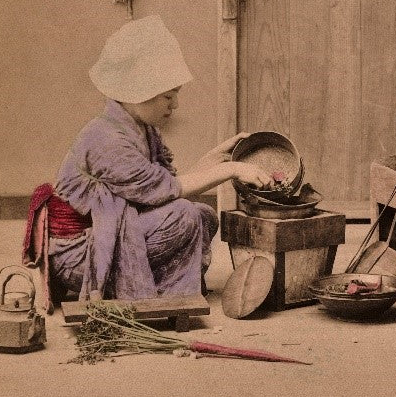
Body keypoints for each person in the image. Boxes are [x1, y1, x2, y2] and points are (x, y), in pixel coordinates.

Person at [23, 16, 272, 305]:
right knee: (184, 215)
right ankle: (165, 296)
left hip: (110, 232)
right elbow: (167, 192)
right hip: (81, 254)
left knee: (202, 215)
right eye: (168, 96)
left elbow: (163, 188)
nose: (175, 105)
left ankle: (170, 292)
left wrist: (217, 158)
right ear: (138, 93)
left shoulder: (141, 129)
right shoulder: (107, 139)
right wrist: (231, 169)